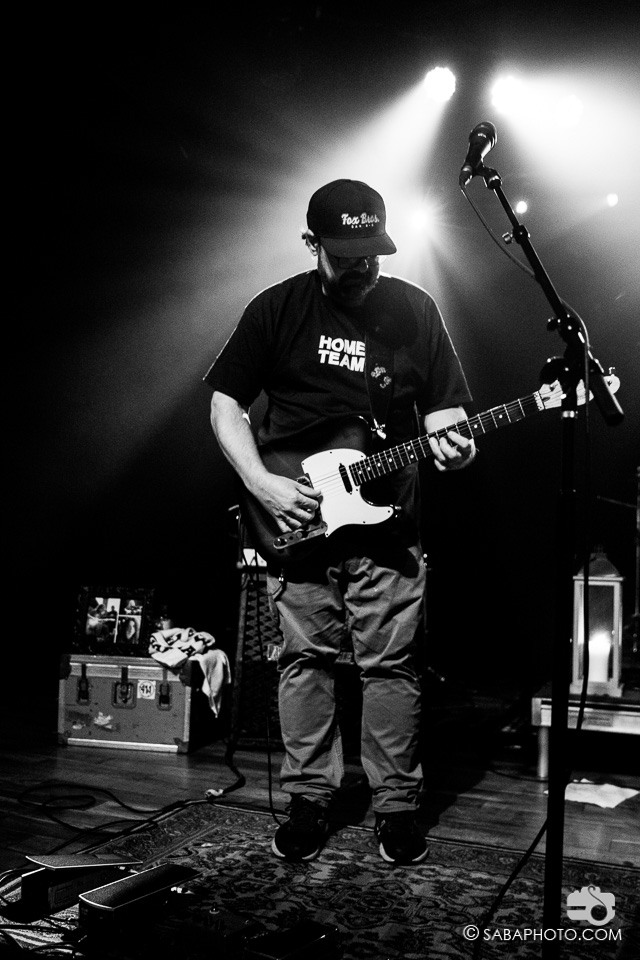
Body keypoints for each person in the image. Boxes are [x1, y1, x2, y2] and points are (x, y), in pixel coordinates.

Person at [205, 179, 476, 865]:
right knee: (305, 661)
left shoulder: (414, 309)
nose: (364, 267)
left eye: (373, 253)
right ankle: (309, 800)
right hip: (299, 518)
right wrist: (262, 484)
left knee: (393, 666)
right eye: (348, 255)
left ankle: (397, 808)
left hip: (388, 523)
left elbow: (444, 407)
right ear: (311, 243)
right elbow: (225, 405)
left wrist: (456, 441)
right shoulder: (277, 309)